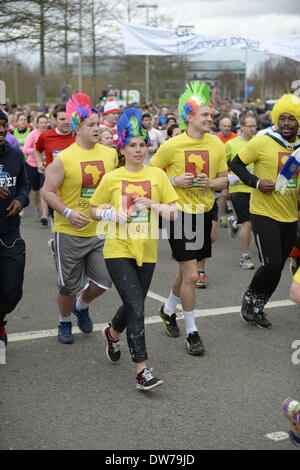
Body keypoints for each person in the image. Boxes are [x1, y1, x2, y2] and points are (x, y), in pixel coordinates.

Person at [90, 107, 178, 390]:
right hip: (118, 248)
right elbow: (93, 209)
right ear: (122, 148)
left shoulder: (157, 176)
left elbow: (174, 213)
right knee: (137, 306)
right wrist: (109, 214)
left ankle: (113, 331)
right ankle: (142, 370)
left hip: (147, 249)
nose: (139, 150)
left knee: (133, 302)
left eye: (142, 145)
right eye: (132, 145)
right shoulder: (112, 177)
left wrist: (152, 204)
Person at [151, 81, 227, 355]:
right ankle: (192, 330)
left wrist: (211, 182)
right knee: (193, 276)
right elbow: (148, 176)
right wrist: (173, 180)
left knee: (186, 272)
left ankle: (168, 310)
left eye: (211, 115)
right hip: (179, 215)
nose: (211, 118)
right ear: (189, 116)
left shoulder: (217, 144)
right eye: (205, 114)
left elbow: (223, 180)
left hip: (204, 213)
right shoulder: (172, 145)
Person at [42, 93, 118, 344]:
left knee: (105, 281)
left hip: (99, 231)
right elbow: (47, 192)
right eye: (92, 125)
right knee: (67, 287)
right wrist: (68, 212)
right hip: (70, 232)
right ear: (78, 127)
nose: (98, 128)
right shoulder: (63, 158)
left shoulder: (109, 155)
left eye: (98, 124)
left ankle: (82, 307)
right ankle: (64, 322)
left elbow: (113, 186)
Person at [229, 93, 300, 329]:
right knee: (270, 264)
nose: (287, 123)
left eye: (292, 119)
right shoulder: (262, 140)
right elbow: (236, 164)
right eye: (283, 118)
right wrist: (257, 182)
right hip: (263, 212)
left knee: (278, 266)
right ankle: (250, 297)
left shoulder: (299, 146)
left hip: (290, 215)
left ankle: (259, 305)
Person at [0, 109, 30, 364]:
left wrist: (21, 199)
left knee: (12, 289)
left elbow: (24, 183)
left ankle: (1, 317)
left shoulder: (14, 155)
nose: (0, 130)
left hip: (9, 232)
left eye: (3, 126)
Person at [226, 113, 257, 269]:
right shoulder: (231, 144)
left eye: (254, 126)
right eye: (249, 126)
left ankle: (234, 222)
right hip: (238, 189)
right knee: (248, 223)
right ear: (242, 127)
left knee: (257, 223)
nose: (253, 129)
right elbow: (219, 165)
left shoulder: (260, 142)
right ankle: (245, 257)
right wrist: (228, 177)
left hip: (257, 188)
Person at [23, 114, 49, 225]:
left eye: (45, 122)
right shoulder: (33, 134)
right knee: (35, 190)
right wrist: (35, 151)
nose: (43, 124)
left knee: (44, 189)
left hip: (45, 166)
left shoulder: (49, 134)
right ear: (37, 124)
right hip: (32, 165)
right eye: (41, 122)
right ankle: (38, 208)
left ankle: (45, 214)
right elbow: (25, 149)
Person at [33, 104, 75, 174]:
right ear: (55, 120)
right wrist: (39, 163)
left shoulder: (79, 135)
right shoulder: (45, 136)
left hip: (74, 179)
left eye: (68, 118)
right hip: (52, 180)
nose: (66, 122)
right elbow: (36, 150)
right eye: (62, 119)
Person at [217, 117, 237, 227]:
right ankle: (223, 218)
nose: (227, 128)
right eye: (225, 126)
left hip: (233, 171)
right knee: (224, 195)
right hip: (221, 170)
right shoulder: (215, 138)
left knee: (234, 195)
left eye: (229, 126)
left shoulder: (235, 137)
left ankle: (238, 219)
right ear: (220, 127)